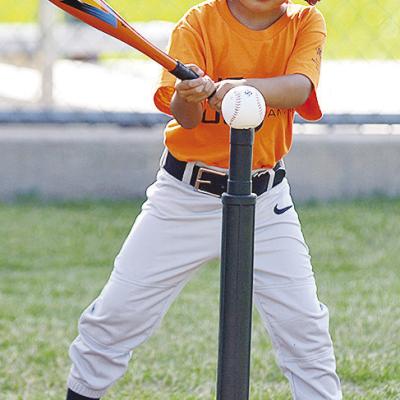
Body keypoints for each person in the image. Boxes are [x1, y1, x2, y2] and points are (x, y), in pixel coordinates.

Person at [66, 0, 342, 399]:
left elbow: (299, 88)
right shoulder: (199, 22)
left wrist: (240, 87)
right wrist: (190, 94)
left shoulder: (304, 22)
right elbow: (185, 116)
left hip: (265, 200)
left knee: (305, 330)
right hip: (183, 197)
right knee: (116, 316)